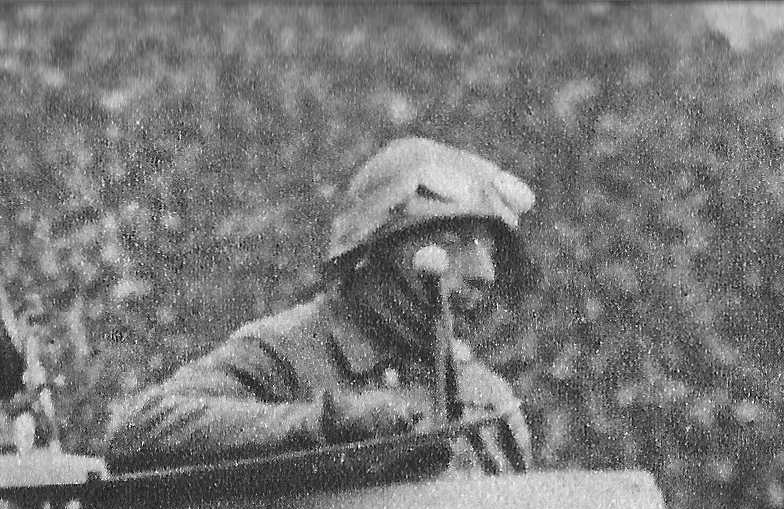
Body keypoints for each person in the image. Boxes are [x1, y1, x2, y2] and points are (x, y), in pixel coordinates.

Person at [104, 137, 538, 473]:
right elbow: (139, 429)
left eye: (489, 249)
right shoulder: (289, 350)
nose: (484, 273)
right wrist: (328, 426)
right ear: (375, 251)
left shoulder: (485, 396)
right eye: (453, 241)